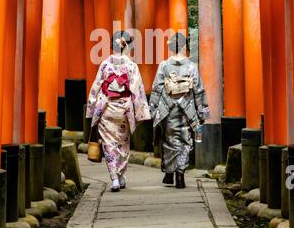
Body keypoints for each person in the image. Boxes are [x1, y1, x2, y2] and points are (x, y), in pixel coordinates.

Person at [86, 31, 150, 192]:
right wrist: (141, 112)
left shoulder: (105, 64)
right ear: (127, 46)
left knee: (108, 144)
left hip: (106, 109)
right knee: (123, 144)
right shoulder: (131, 66)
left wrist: (91, 109)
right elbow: (137, 90)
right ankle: (120, 175)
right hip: (123, 111)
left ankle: (114, 177)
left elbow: (96, 87)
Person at [149, 33, 210, 189]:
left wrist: (152, 109)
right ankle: (180, 174)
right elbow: (199, 90)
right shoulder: (192, 66)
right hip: (186, 109)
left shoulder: (164, 65)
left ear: (171, 48)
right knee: (185, 140)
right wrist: (202, 112)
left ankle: (170, 172)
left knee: (169, 141)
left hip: (168, 109)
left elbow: (156, 89)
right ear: (184, 47)